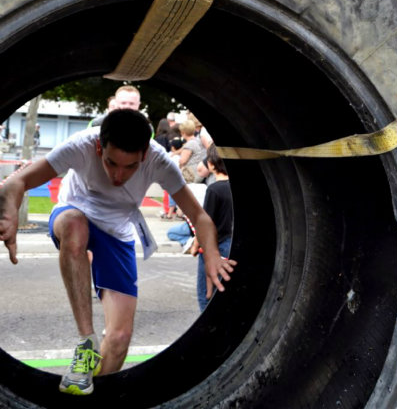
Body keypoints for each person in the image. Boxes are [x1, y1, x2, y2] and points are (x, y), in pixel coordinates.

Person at [0, 110, 236, 396]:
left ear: (145, 154)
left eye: (130, 167)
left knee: (120, 337)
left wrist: (211, 253)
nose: (118, 175)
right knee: (75, 226)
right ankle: (86, 343)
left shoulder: (159, 160)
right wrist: (9, 213)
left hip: (117, 233)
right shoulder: (81, 144)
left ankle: (94, 391)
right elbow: (17, 182)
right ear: (100, 146)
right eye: (111, 163)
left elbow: (200, 217)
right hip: (74, 215)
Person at [190, 144, 234, 312]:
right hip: (231, 244)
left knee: (206, 293)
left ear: (212, 164)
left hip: (215, 246)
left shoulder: (214, 190)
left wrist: (195, 245)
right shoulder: (235, 189)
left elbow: (205, 222)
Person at [175, 120, 204, 184]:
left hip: (190, 175)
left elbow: (182, 161)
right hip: (199, 173)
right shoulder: (197, 140)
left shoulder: (190, 144)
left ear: (183, 132)